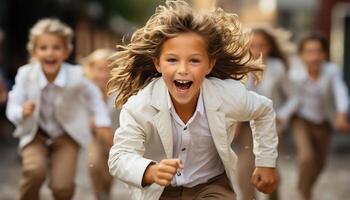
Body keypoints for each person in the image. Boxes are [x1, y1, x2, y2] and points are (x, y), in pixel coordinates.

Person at [107, 1, 279, 199]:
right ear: (158, 63)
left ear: (209, 65)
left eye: (194, 60)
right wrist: (150, 171)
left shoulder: (226, 95)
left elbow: (264, 110)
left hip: (211, 185)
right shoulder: (140, 107)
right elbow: (119, 157)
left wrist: (266, 162)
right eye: (172, 60)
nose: (183, 69)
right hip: (161, 190)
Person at [6, 18, 113, 200]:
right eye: (43, 48)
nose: (50, 53)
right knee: (34, 171)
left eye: (56, 48)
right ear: (34, 52)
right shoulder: (26, 75)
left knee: (62, 187)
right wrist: (21, 112)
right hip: (35, 134)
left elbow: (94, 96)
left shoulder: (75, 75)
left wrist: (102, 122)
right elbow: (13, 104)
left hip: (66, 136)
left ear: (66, 52)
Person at [234, 26, 298, 200]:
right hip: (247, 125)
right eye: (252, 45)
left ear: (269, 47)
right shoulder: (240, 67)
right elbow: (236, 98)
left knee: (269, 167)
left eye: (261, 45)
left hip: (272, 124)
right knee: (244, 168)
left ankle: (273, 196)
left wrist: (281, 116)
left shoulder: (278, 68)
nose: (257, 50)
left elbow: (294, 98)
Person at [291, 33, 349, 200]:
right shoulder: (295, 74)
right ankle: (304, 194)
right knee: (306, 158)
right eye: (309, 51)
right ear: (301, 55)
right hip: (301, 120)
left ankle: (304, 186)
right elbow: (289, 96)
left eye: (318, 51)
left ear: (325, 54)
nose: (314, 56)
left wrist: (341, 114)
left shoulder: (332, 71)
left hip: (324, 122)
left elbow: (341, 92)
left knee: (320, 163)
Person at [81, 48, 120, 200]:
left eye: (109, 69)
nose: (104, 74)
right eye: (100, 69)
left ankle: (105, 193)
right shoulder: (84, 89)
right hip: (92, 135)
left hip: (115, 136)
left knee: (111, 169)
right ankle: (100, 195)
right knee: (95, 164)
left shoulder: (120, 91)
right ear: (91, 69)